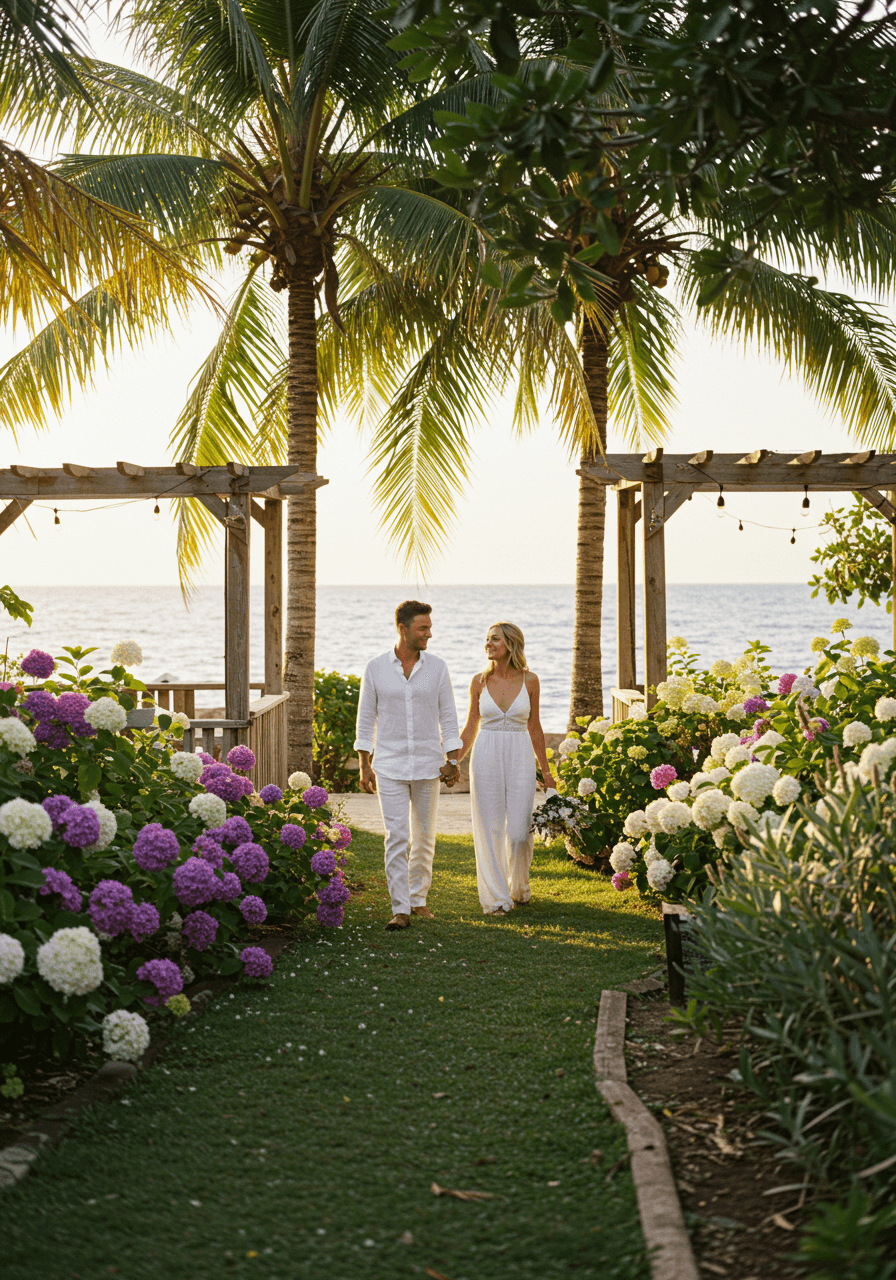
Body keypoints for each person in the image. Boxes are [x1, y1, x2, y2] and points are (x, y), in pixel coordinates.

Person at [354, 601, 462, 931]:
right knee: (396, 836)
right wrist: (364, 763)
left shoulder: (437, 667)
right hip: (389, 765)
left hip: (429, 765)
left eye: (429, 627)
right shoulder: (375, 668)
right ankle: (400, 908)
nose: (430, 633)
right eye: (423, 628)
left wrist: (453, 759)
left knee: (425, 837)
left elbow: (448, 715)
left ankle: (418, 899)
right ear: (403, 629)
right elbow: (365, 718)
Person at [458, 622, 557, 915]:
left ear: (511, 645)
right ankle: (496, 898)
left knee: (518, 831)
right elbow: (470, 727)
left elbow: (535, 727)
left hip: (520, 754)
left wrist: (547, 772)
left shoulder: (530, 681)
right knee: (489, 828)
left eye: (495, 639)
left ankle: (519, 886)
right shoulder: (478, 681)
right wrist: (453, 761)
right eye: (486, 639)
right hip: (485, 753)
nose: (488, 644)